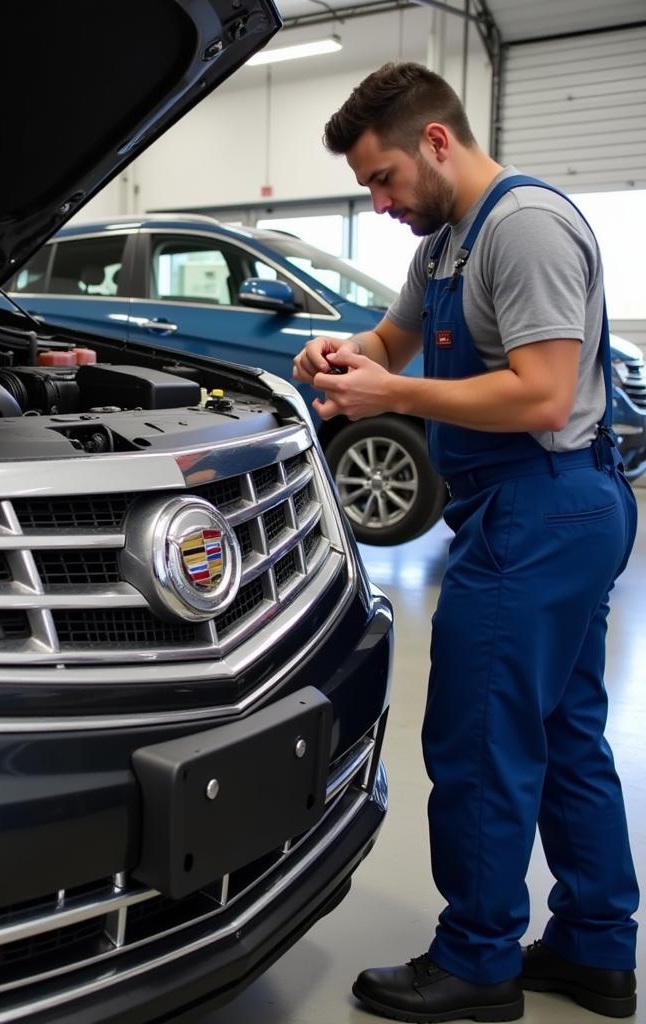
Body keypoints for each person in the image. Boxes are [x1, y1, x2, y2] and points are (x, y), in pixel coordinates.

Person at [293, 62, 639, 1022]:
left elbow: (542, 393)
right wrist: (338, 355)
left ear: (436, 143)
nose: (380, 200)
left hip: (546, 505)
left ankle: (480, 960)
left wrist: (391, 396)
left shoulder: (522, 229)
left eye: (385, 179)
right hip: (532, 508)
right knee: (563, 729)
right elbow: (393, 344)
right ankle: (596, 945)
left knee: (480, 734)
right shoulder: (445, 242)